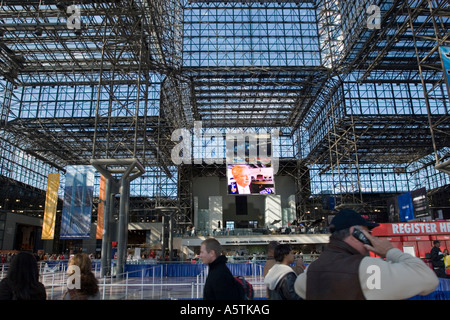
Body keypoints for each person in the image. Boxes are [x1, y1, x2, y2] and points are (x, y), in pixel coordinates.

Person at [294, 209, 439, 300]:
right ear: (354, 233)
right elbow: (428, 280)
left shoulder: (309, 273)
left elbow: (298, 288)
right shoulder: (367, 269)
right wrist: (390, 251)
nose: (371, 236)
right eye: (368, 232)